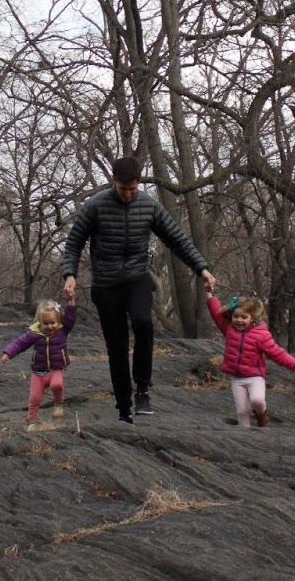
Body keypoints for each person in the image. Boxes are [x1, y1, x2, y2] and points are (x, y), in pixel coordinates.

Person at [61, 156, 216, 423]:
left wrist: (201, 268)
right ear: (114, 181)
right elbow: (74, 243)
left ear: (139, 182)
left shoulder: (149, 205)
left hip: (137, 278)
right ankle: (124, 407)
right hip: (106, 283)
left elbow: (177, 239)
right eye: (123, 189)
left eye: (132, 189)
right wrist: (70, 275)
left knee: (143, 323)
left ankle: (142, 389)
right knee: (117, 346)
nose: (128, 194)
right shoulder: (95, 205)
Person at [206, 288, 295, 428]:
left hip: (255, 376)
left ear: (252, 318)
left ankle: (261, 415)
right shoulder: (229, 329)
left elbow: (276, 352)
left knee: (257, 400)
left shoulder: (261, 335)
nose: (239, 320)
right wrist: (208, 293)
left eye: (244, 317)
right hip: (237, 378)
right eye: (236, 317)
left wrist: (294, 363)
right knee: (242, 411)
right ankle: (245, 435)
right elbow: (216, 312)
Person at [1, 298, 76, 430]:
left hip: (55, 369)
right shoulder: (34, 333)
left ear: (58, 320)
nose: (50, 326)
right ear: (40, 322)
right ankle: (32, 420)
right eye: (45, 323)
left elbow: (70, 318)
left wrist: (71, 301)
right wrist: (8, 353)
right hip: (38, 372)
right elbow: (20, 343)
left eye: (53, 322)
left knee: (57, 384)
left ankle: (58, 403)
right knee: (35, 398)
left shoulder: (62, 331)